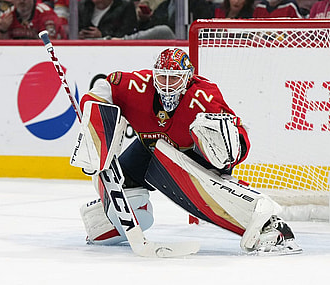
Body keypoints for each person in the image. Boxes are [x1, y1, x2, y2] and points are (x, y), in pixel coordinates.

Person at [74, 48, 301, 254]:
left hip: (191, 155)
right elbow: (103, 90)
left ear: (188, 78)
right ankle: (109, 222)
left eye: (174, 78)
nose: (166, 84)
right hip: (150, 148)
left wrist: (227, 155)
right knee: (118, 184)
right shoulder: (136, 86)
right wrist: (93, 134)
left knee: (200, 195)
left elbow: (238, 138)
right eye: (162, 77)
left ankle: (269, 225)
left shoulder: (205, 98)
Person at [0, 0, 66, 39]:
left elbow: (51, 43)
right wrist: (3, 30)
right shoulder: (7, 16)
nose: (22, 1)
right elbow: (3, 49)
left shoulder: (46, 14)